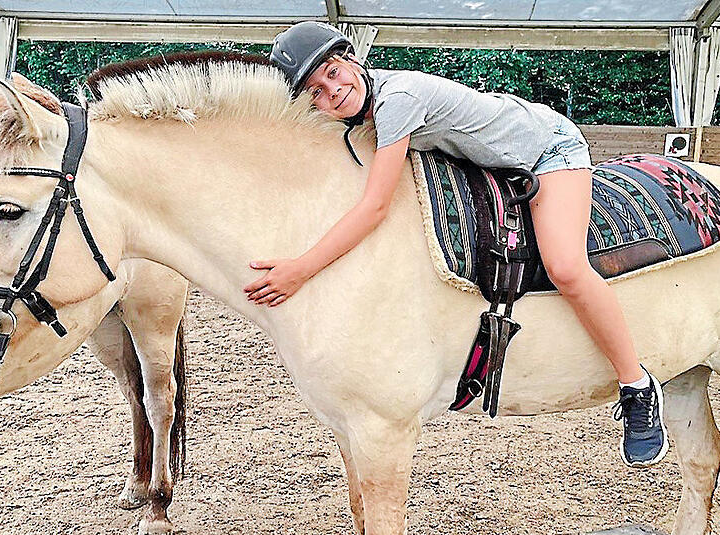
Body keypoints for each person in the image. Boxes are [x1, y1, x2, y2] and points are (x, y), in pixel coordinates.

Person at [244, 21, 668, 467]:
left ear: (351, 59)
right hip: (497, 154)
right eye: (313, 91)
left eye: (331, 72)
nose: (330, 90)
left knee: (565, 266)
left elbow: (374, 208)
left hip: (548, 149)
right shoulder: (363, 114)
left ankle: (635, 384)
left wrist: (301, 268)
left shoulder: (397, 100)